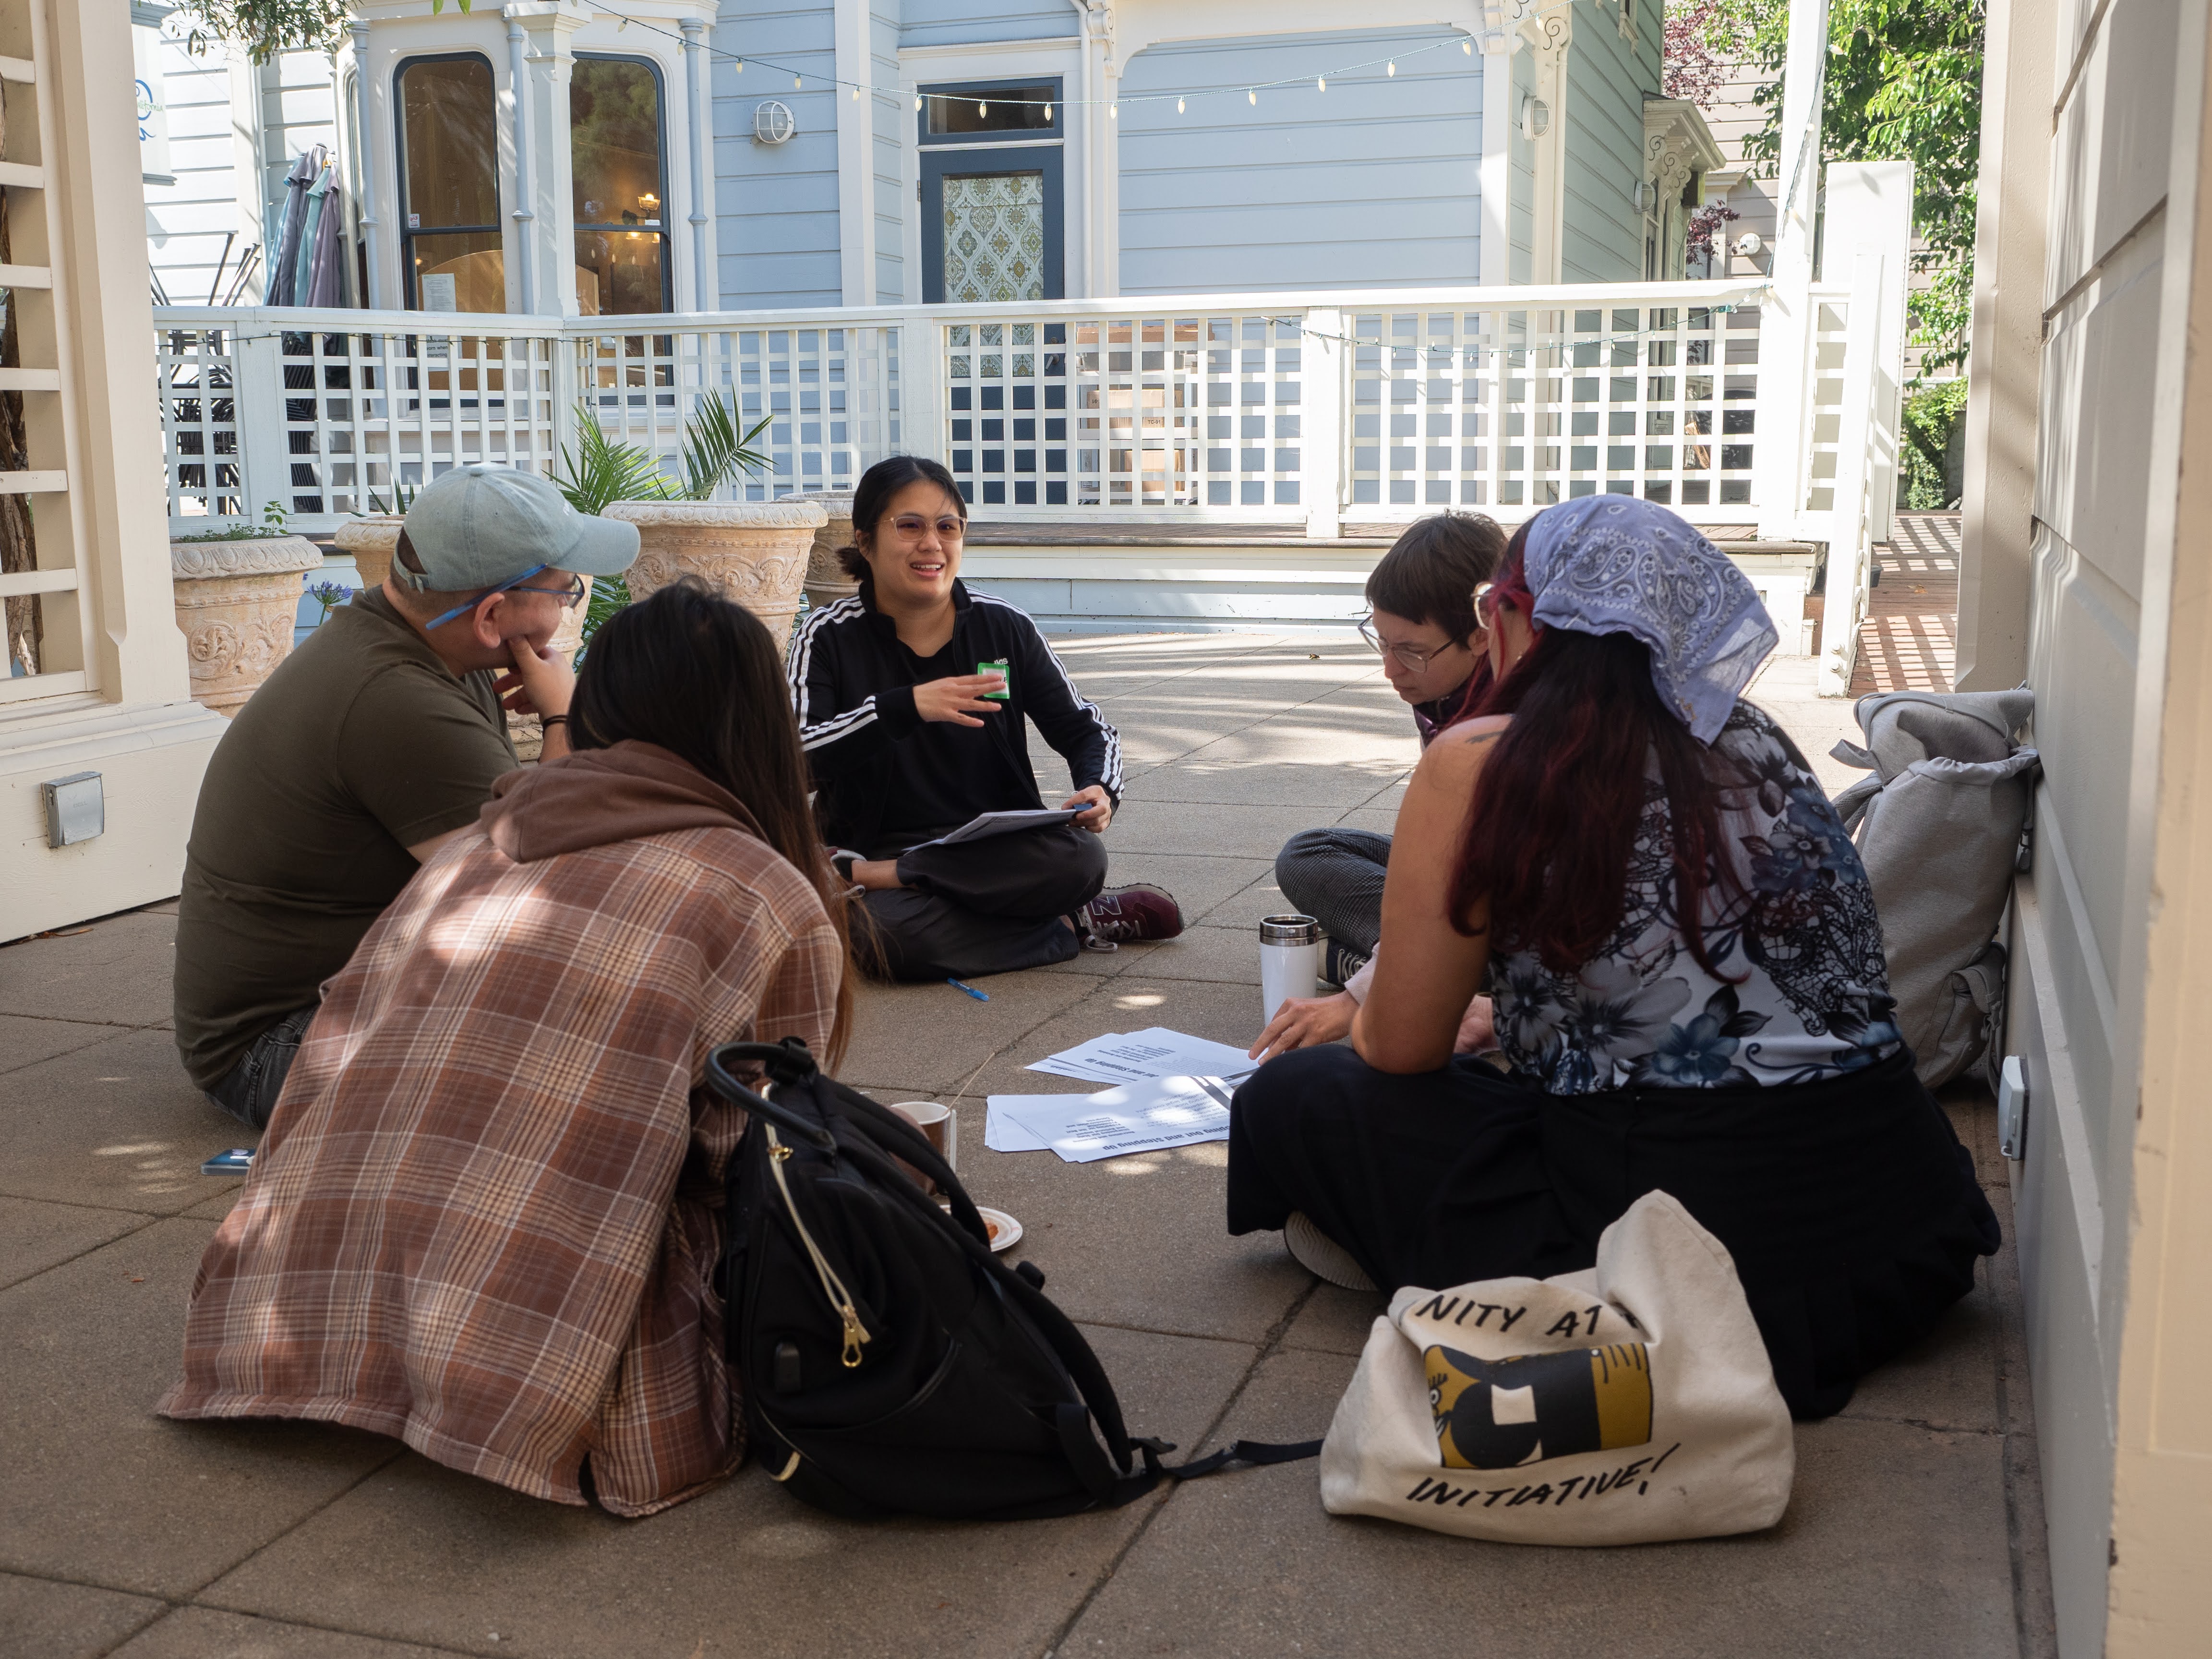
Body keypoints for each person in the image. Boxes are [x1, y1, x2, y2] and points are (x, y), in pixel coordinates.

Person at [1227, 496, 1999, 1419]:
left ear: (1517, 619)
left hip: (1676, 1226)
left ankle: (1425, 1253)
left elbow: (1399, 1050)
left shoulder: (1480, 757)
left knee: (1294, 1097)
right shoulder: (1751, 736)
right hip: (1887, 1214)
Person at [160, 580, 854, 1517]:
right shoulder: (763, 894)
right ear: (764, 721)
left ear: (597, 707)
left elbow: (342, 1047)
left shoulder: (479, 842)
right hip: (533, 1374)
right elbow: (755, 1164)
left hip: (296, 1309)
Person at [171, 465, 639, 1129]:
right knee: (590, 1067)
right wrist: (564, 721)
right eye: (567, 590)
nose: (570, 607)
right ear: (490, 615)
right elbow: (536, 898)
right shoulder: (398, 700)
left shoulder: (419, 645)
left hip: (342, 1000)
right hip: (275, 1046)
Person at [789, 455, 1184, 979]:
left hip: (994, 848)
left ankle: (885, 878)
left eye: (948, 526)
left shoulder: (1003, 626)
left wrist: (1099, 788)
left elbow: (1083, 726)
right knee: (885, 941)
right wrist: (902, 707)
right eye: (909, 526)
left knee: (1083, 857)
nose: (932, 544)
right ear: (865, 542)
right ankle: (1072, 923)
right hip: (879, 839)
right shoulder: (827, 635)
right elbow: (795, 758)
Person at [1255, 512, 1505, 1059]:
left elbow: (1461, 875)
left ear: (1483, 635)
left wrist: (1356, 999)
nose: (1390, 669)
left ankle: (1422, 972)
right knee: (1310, 852)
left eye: (1411, 651)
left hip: (1520, 899)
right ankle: (1429, 967)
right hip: (1473, 884)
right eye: (1382, 642)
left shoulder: (1509, 720)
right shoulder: (1445, 694)